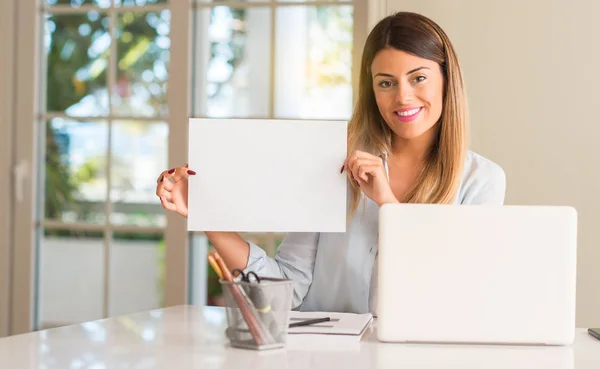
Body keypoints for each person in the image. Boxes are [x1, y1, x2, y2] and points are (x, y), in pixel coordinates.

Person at [155, 12, 506, 315]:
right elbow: (285, 293)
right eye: (386, 83)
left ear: (446, 79)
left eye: (418, 77)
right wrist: (207, 214)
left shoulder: (481, 180)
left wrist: (387, 205)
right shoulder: (334, 165)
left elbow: (456, 297)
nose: (402, 96)